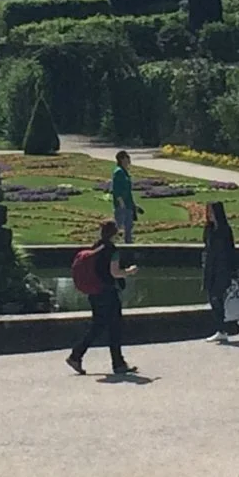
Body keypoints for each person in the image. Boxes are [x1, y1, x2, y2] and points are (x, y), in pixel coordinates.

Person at [66, 218, 137, 377]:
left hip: (95, 292)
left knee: (98, 326)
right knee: (115, 327)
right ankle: (117, 364)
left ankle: (76, 356)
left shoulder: (96, 246)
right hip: (108, 292)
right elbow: (114, 273)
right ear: (115, 233)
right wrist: (130, 271)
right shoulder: (112, 250)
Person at [201, 202, 239, 340]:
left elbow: (231, 251)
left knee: (218, 297)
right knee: (212, 298)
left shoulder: (224, 230)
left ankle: (227, 326)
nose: (209, 215)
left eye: (211, 212)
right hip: (210, 268)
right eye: (208, 212)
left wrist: (233, 271)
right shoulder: (209, 229)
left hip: (222, 268)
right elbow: (206, 248)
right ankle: (221, 329)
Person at [109, 150, 141, 244]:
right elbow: (116, 189)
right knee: (120, 227)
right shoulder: (119, 172)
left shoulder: (125, 172)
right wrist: (121, 202)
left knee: (129, 227)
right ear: (122, 159)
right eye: (127, 158)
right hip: (122, 205)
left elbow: (128, 191)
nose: (129, 160)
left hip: (128, 204)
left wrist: (134, 205)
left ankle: (128, 245)